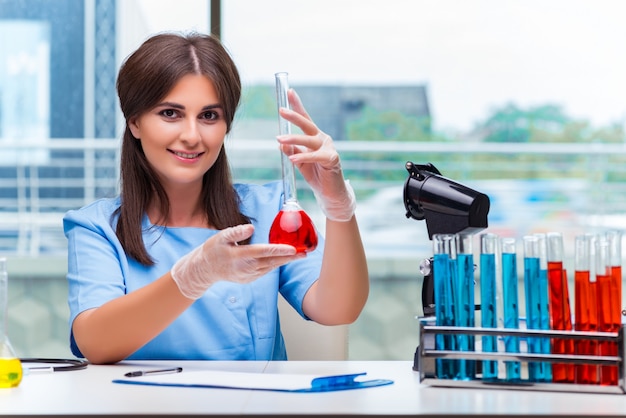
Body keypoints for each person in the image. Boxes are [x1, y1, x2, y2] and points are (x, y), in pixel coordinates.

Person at [63, 31, 369, 364]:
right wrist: (194, 276)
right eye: (170, 113)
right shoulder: (98, 228)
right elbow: (95, 342)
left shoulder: (266, 211)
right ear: (135, 121)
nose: (192, 136)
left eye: (209, 116)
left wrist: (338, 207)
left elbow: (338, 307)